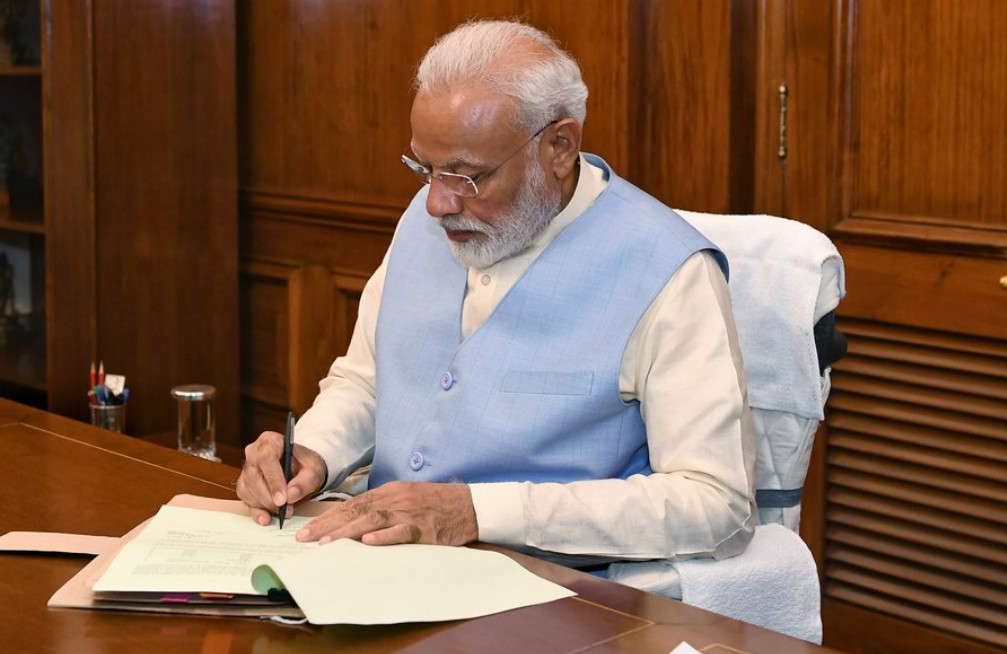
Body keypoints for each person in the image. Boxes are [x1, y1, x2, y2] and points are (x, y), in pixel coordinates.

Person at [236, 19, 756, 567]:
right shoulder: (424, 222)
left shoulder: (671, 272)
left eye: (467, 176)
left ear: (560, 146)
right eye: (425, 169)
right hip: (375, 564)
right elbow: (369, 382)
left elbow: (716, 502)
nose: (437, 204)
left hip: (545, 591)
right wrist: (312, 454)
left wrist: (478, 511)